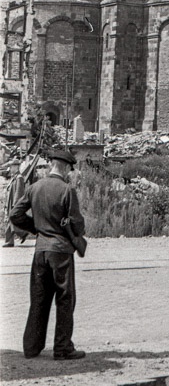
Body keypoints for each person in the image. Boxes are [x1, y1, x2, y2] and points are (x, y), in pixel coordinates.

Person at [10, 149, 86, 360]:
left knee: (39, 298)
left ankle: (31, 348)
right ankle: (62, 349)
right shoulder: (67, 190)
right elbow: (78, 225)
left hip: (40, 252)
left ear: (51, 165)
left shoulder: (34, 187)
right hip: (61, 252)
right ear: (67, 169)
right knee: (65, 299)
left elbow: (14, 214)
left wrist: (35, 228)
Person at [3, 160, 28, 247]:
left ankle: (19, 235)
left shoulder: (19, 178)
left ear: (17, 167)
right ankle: (16, 237)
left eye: (12, 166)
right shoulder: (14, 177)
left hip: (13, 202)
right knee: (8, 220)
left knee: (11, 220)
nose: (10, 168)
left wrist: (16, 203)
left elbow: (19, 191)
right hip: (9, 202)